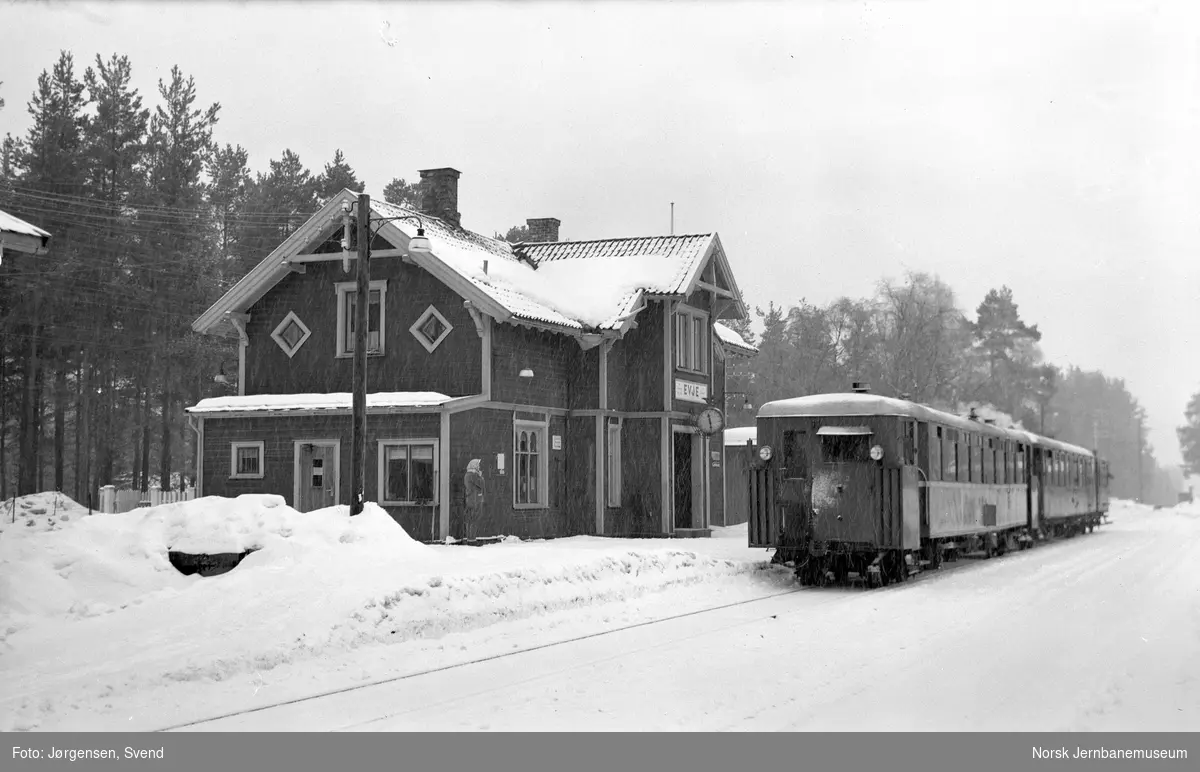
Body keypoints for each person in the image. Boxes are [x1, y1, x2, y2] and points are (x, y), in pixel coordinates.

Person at [464, 458, 484, 542]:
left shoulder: (467, 475)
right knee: (474, 519)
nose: (479, 467)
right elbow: (481, 484)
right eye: (478, 465)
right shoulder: (473, 475)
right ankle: (472, 539)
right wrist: (480, 476)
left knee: (470, 519)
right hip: (475, 500)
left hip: (470, 499)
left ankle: (470, 538)